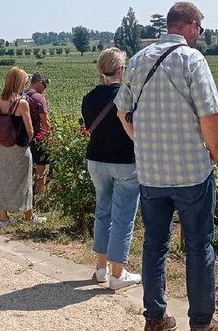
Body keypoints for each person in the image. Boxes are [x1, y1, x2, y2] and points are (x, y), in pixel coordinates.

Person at [116, 2, 218, 331]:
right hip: (192, 172)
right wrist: (214, 154)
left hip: (151, 175)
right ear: (191, 25)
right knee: (198, 245)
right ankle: (203, 322)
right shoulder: (193, 60)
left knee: (154, 245)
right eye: (201, 29)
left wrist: (142, 142)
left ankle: (155, 318)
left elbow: (121, 112)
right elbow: (209, 115)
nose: (200, 36)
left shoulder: (137, 61)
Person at [81, 47, 141, 291]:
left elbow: (89, 126)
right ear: (121, 70)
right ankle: (118, 273)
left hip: (96, 160)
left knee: (102, 211)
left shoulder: (89, 97)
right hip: (125, 161)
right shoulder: (130, 95)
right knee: (123, 216)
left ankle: (100, 268)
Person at [0, 67, 45, 228]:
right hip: (18, 147)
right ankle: (28, 215)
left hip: (3, 145)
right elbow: (29, 130)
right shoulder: (21, 103)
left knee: (3, 178)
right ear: (19, 82)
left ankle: (3, 217)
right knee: (24, 180)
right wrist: (26, 142)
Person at [23, 73, 51, 204]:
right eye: (44, 85)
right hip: (38, 138)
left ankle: (24, 197)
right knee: (41, 168)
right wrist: (51, 135)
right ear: (39, 82)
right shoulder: (39, 98)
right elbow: (45, 122)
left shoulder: (21, 95)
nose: (44, 88)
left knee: (25, 168)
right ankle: (40, 199)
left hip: (22, 137)